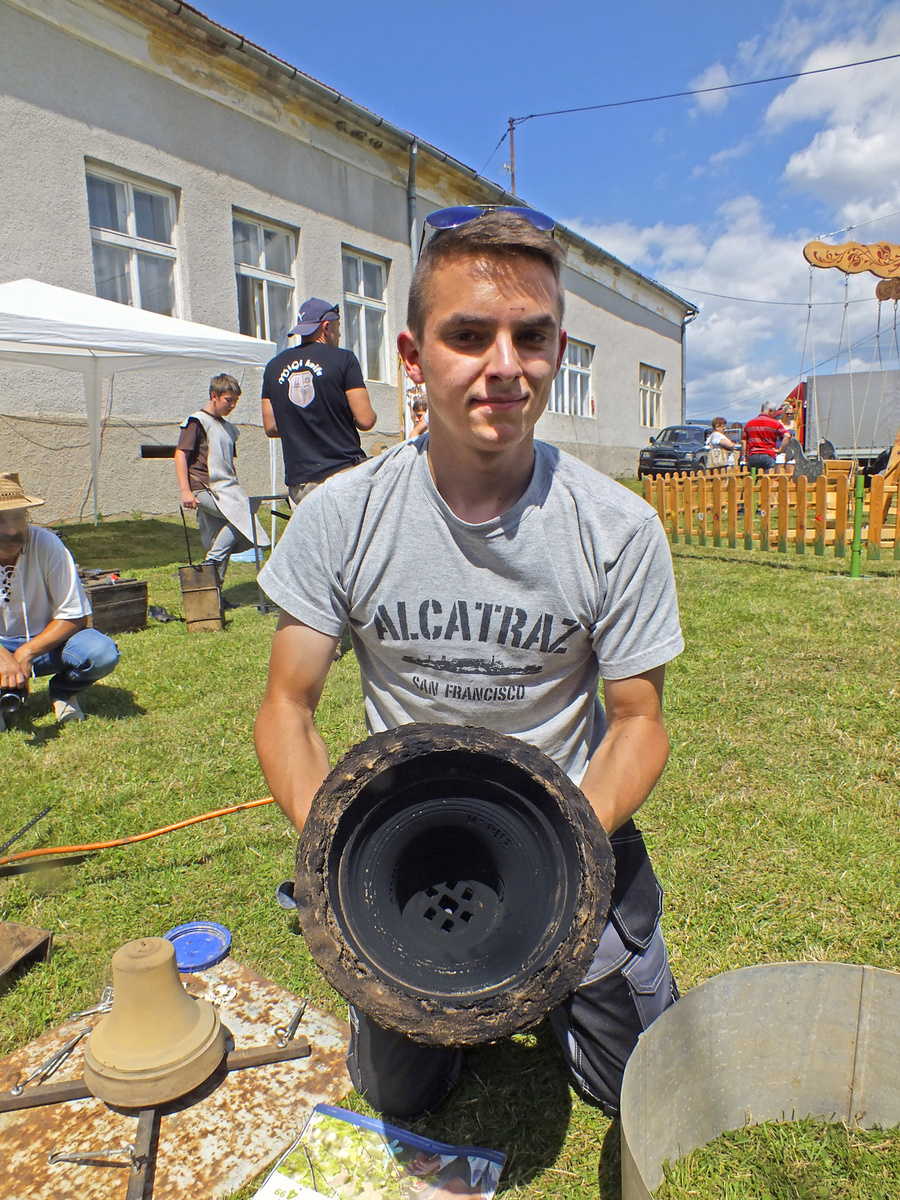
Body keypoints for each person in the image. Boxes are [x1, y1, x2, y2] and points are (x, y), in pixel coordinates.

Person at [255, 208, 684, 1121]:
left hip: (569, 824)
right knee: (398, 1099)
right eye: (468, 335)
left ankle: (578, 991)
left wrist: (560, 854)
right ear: (413, 358)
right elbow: (287, 708)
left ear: (558, 349)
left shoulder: (616, 527)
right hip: (404, 836)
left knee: (645, 1093)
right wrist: (340, 848)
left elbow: (640, 724)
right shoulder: (342, 516)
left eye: (531, 337)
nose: (504, 365)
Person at [0, 472, 119, 729]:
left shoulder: (46, 544)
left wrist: (26, 652)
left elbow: (75, 615)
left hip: (47, 643)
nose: (12, 530)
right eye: (0, 520)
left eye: (19, 517)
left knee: (101, 653)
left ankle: (64, 692)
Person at [261, 298, 377, 505]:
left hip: (301, 483)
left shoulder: (273, 367)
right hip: (343, 474)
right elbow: (366, 420)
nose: (339, 334)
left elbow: (270, 427)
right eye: (338, 327)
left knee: (315, 538)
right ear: (326, 327)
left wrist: (301, 423)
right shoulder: (344, 359)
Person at [175, 374, 269, 586]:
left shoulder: (228, 429)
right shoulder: (197, 422)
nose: (232, 405)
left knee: (220, 541)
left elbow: (226, 465)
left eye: (236, 400)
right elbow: (180, 454)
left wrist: (237, 492)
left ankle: (214, 593)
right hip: (203, 489)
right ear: (214, 396)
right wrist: (185, 490)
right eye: (228, 400)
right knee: (242, 518)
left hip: (225, 491)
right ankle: (211, 563)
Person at [741, 400, 790, 473]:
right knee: (767, 481)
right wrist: (780, 450)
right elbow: (787, 436)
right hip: (768, 455)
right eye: (774, 412)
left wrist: (744, 456)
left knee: (752, 481)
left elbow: (744, 441)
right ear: (770, 411)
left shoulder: (749, 424)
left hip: (753, 456)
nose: (774, 414)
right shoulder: (775, 424)